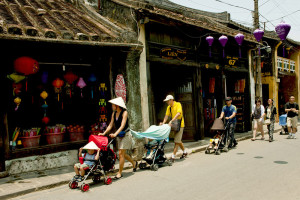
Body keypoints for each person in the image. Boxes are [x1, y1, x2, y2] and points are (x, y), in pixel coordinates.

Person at [99, 97, 137, 179]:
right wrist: (104, 133)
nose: (112, 106)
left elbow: (123, 125)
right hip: (119, 135)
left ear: (117, 105)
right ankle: (134, 163)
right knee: (123, 154)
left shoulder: (124, 112)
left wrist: (115, 133)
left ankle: (119, 173)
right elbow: (110, 125)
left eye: (113, 105)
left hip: (126, 134)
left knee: (120, 153)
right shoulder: (114, 113)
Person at [160, 95, 187, 162]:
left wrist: (172, 120)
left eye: (167, 101)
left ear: (171, 100)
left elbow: (178, 113)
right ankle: (185, 151)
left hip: (180, 124)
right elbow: (166, 116)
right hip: (175, 124)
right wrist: (163, 122)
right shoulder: (169, 107)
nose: (167, 102)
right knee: (178, 140)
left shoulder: (178, 104)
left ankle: (173, 156)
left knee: (176, 141)